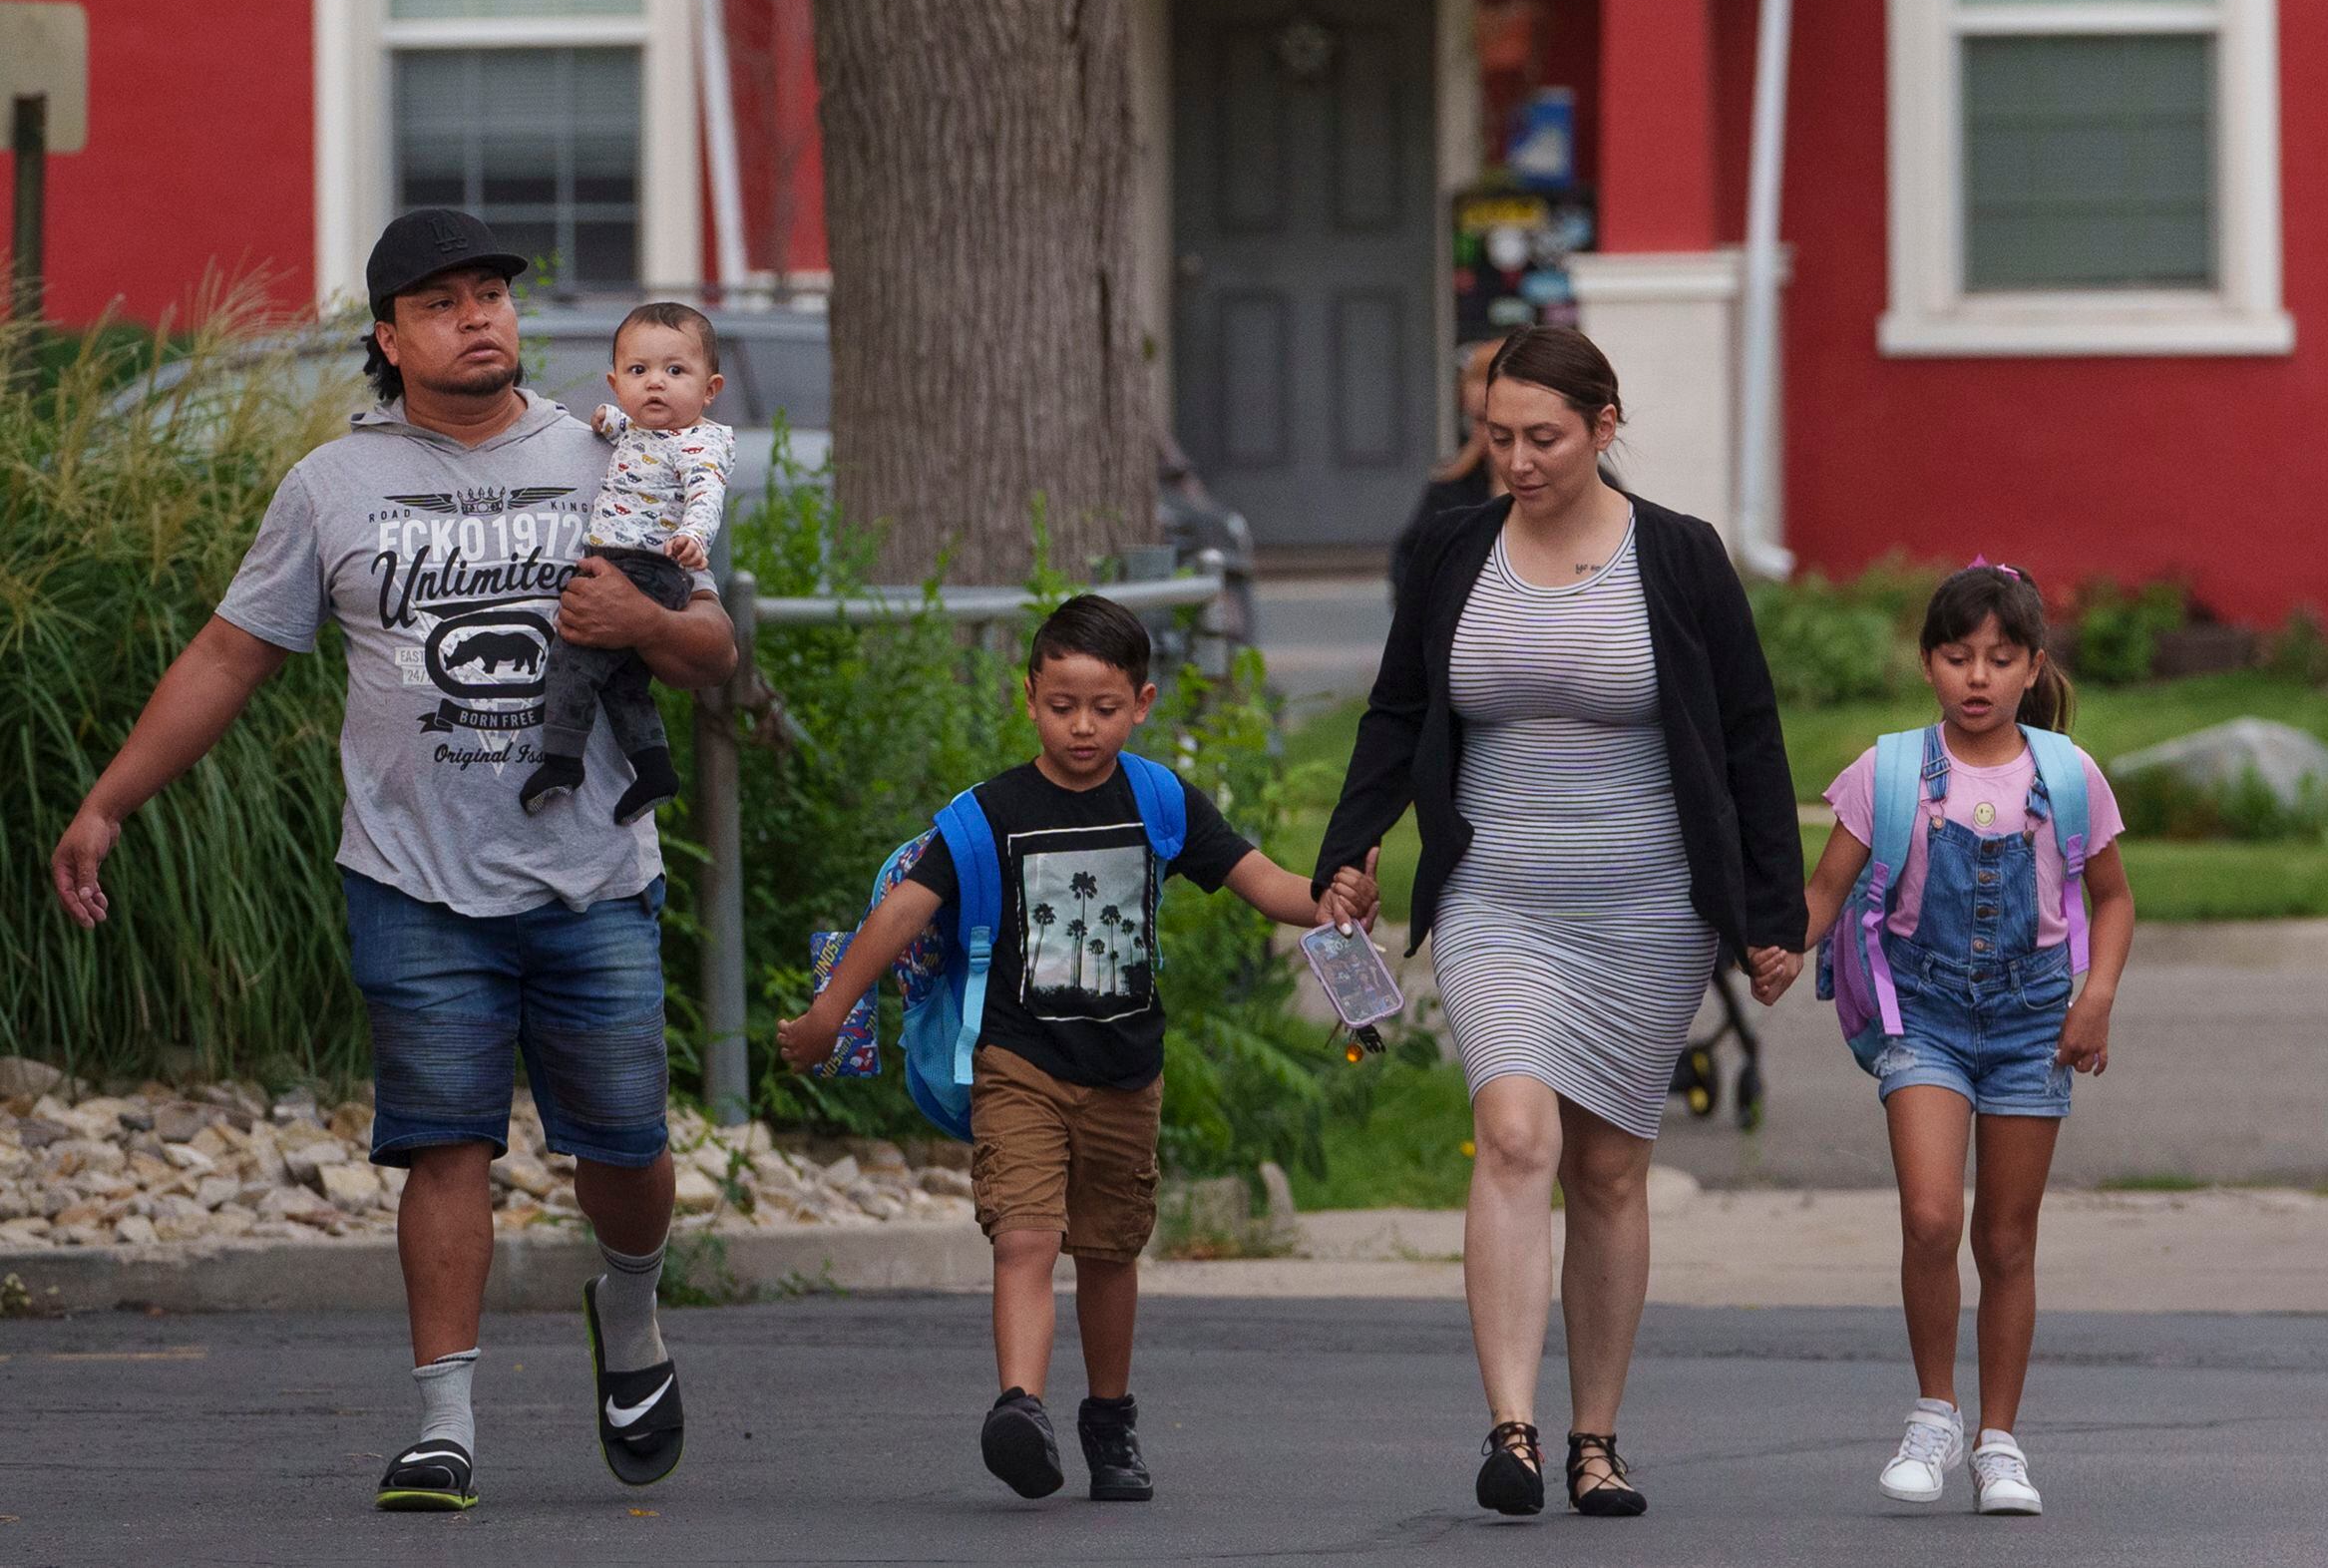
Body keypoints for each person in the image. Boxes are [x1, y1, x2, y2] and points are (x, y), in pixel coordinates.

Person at [49, 207, 738, 1514]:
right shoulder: (330, 486)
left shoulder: (619, 455)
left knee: (628, 1148)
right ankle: (444, 1422)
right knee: (445, 1146)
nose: (478, 314)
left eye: (492, 292)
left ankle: (633, 1309)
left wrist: (646, 614)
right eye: (442, 300)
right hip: (415, 878)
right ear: (388, 335)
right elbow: (228, 655)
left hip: (591, 872)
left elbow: (715, 651)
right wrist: (108, 801)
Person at [1313, 325, 1804, 1519]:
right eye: (1499, 437)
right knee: (1517, 1135)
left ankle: (1597, 1439)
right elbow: (1397, 708)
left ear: (1603, 426)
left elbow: (1747, 735)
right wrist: (1349, 846)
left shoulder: (1680, 559)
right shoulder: (1450, 551)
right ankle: (1514, 1429)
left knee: (1609, 1167)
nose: (1520, 461)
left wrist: (1771, 911)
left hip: (1644, 910)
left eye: (1544, 438)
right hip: (1500, 900)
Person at [775, 595, 1377, 1504]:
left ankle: (1109, 1420)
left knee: (1108, 1251)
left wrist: (1330, 901)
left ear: (1141, 702)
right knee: (1025, 1236)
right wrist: (829, 1011)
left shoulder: (1160, 798)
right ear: (1029, 699)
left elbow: (1262, 883)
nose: (1083, 726)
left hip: (1128, 1072)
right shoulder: (989, 814)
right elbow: (904, 908)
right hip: (1018, 1061)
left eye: (1103, 707)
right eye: (1062, 706)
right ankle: (1021, 1406)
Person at [1749, 562, 2134, 1517]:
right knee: (1931, 1216)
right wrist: (1777, 947)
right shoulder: (1884, 772)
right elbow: (1823, 896)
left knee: (2006, 1237)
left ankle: (1999, 1443)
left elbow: (2114, 898)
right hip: (1919, 1015)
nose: (1978, 677)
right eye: (1958, 656)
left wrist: (2100, 995)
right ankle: (1934, 1413)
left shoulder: (2067, 775)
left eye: (2000, 659)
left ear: (2033, 666)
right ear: (1927, 662)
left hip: (2032, 1023)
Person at [521, 301, 734, 822]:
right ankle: (655, 767)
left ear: (710, 390)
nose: (655, 384)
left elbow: (706, 493)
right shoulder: (640, 428)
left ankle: (562, 761)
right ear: (616, 384)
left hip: (647, 566)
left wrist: (692, 536)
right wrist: (607, 419)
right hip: (617, 557)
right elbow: (630, 435)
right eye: (639, 372)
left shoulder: (698, 442)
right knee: (621, 681)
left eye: (675, 371)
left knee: (573, 660)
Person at [1388, 340, 1502, 593]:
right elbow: (1408, 569)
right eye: (1477, 421)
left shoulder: (1588, 486)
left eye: (1497, 422)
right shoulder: (1452, 487)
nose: (1487, 435)